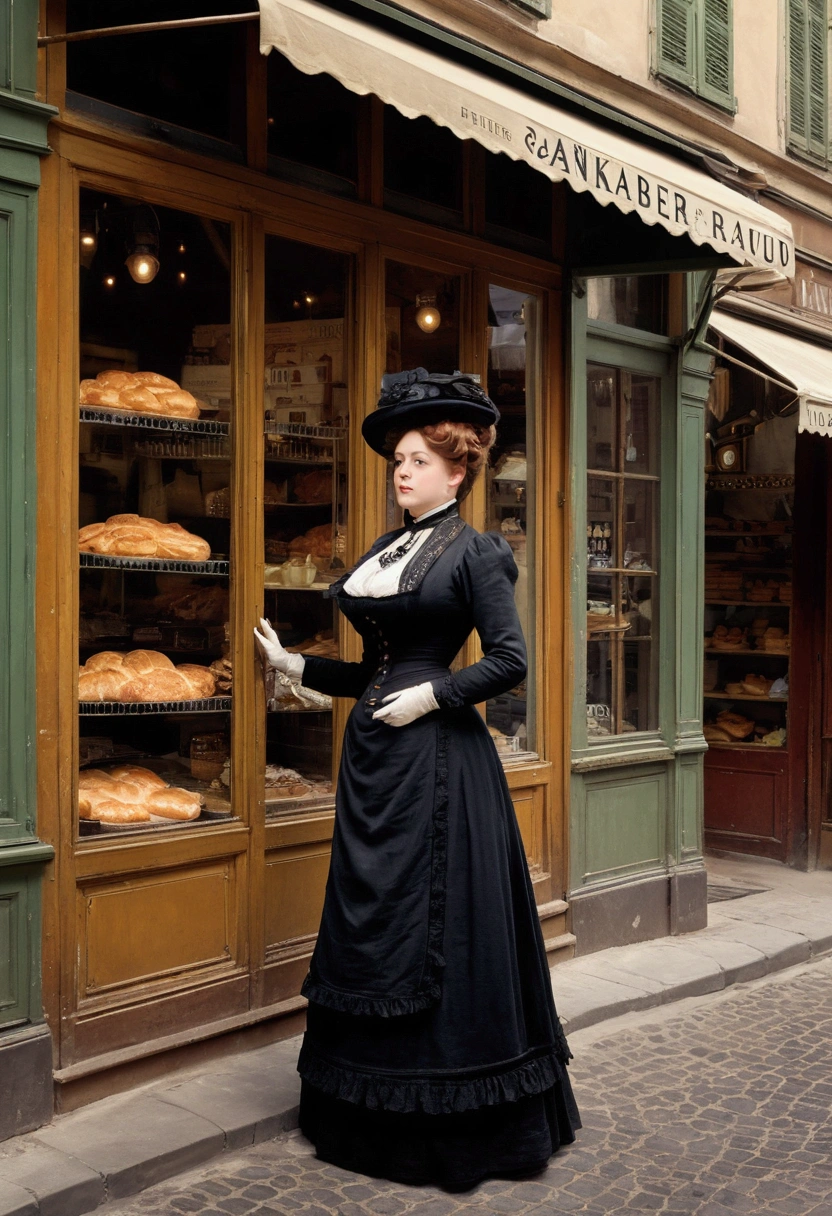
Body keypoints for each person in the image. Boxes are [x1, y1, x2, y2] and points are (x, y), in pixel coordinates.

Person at [255, 368, 580, 1189]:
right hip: (373, 767)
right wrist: (294, 664)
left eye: (417, 460)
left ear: (457, 469)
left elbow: (509, 660)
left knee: (435, 926)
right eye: (396, 459)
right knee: (370, 921)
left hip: (442, 769)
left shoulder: (476, 553)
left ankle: (451, 1122)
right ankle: (361, 1114)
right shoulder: (383, 552)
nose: (401, 471)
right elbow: (373, 671)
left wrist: (433, 695)